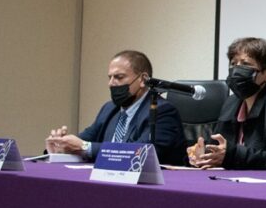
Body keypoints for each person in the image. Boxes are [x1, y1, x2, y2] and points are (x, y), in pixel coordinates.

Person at [45, 50, 186, 165]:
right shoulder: (109, 109)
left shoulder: (162, 111)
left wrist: (85, 147)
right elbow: (85, 139)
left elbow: (142, 153)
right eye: (110, 77)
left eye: (119, 77)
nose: (111, 83)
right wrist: (62, 145)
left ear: (143, 80)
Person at [187, 37, 266, 170]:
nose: (236, 69)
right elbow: (220, 151)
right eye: (233, 64)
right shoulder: (231, 103)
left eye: (245, 64)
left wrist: (233, 156)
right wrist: (203, 155)